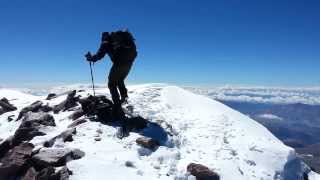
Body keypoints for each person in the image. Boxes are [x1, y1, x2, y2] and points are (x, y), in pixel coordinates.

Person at [85, 30, 137, 115]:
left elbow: (100, 55)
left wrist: (91, 58)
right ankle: (124, 97)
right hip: (129, 64)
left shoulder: (106, 42)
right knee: (119, 80)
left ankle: (117, 107)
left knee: (111, 84)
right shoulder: (119, 41)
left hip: (119, 64)